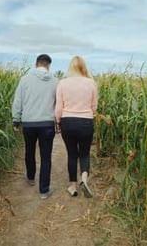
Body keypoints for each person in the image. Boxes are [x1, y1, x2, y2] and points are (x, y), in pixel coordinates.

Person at [12, 54, 58, 200]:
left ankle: (31, 178)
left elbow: (18, 101)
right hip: (47, 123)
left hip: (29, 123)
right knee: (46, 156)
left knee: (29, 151)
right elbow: (58, 104)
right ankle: (44, 190)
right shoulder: (55, 81)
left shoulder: (24, 80)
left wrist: (16, 120)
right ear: (48, 65)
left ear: (36, 64)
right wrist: (58, 122)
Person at [55, 56, 98, 198]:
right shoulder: (91, 83)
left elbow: (59, 106)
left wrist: (58, 122)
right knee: (84, 153)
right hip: (86, 122)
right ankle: (84, 180)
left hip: (68, 121)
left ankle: (73, 186)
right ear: (83, 67)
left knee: (72, 154)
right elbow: (94, 106)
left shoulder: (62, 83)